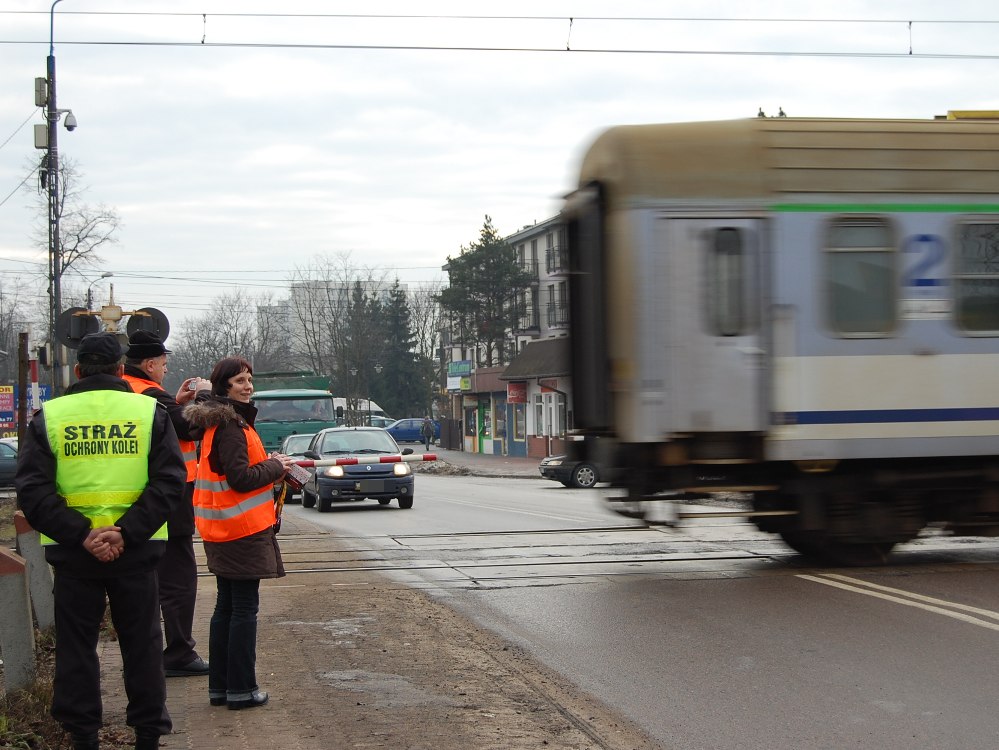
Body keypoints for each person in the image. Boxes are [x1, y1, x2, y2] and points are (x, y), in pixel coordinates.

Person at [15, 332, 186, 750]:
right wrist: (127, 532)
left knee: (76, 648)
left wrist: (81, 535)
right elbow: (169, 482)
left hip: (76, 555)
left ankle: (83, 737)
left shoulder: (50, 416)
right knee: (143, 645)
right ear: (118, 370)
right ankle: (147, 736)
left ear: (77, 371)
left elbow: (33, 491)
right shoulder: (149, 413)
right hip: (138, 550)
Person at [183, 356, 297, 710]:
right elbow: (240, 477)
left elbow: (237, 471)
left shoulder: (219, 424)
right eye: (239, 381)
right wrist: (276, 466)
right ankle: (242, 690)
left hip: (223, 529)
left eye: (249, 379)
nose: (247, 386)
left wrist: (269, 464)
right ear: (223, 387)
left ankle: (221, 688)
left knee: (227, 607)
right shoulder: (232, 426)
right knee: (243, 609)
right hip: (241, 530)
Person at [122, 329, 211, 677]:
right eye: (161, 365)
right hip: (169, 498)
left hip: (135, 494)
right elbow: (190, 429)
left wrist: (176, 400)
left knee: (144, 577)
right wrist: (202, 398)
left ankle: (145, 652)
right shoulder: (150, 394)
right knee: (177, 578)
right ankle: (178, 652)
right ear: (148, 364)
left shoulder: (128, 390)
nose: (163, 370)